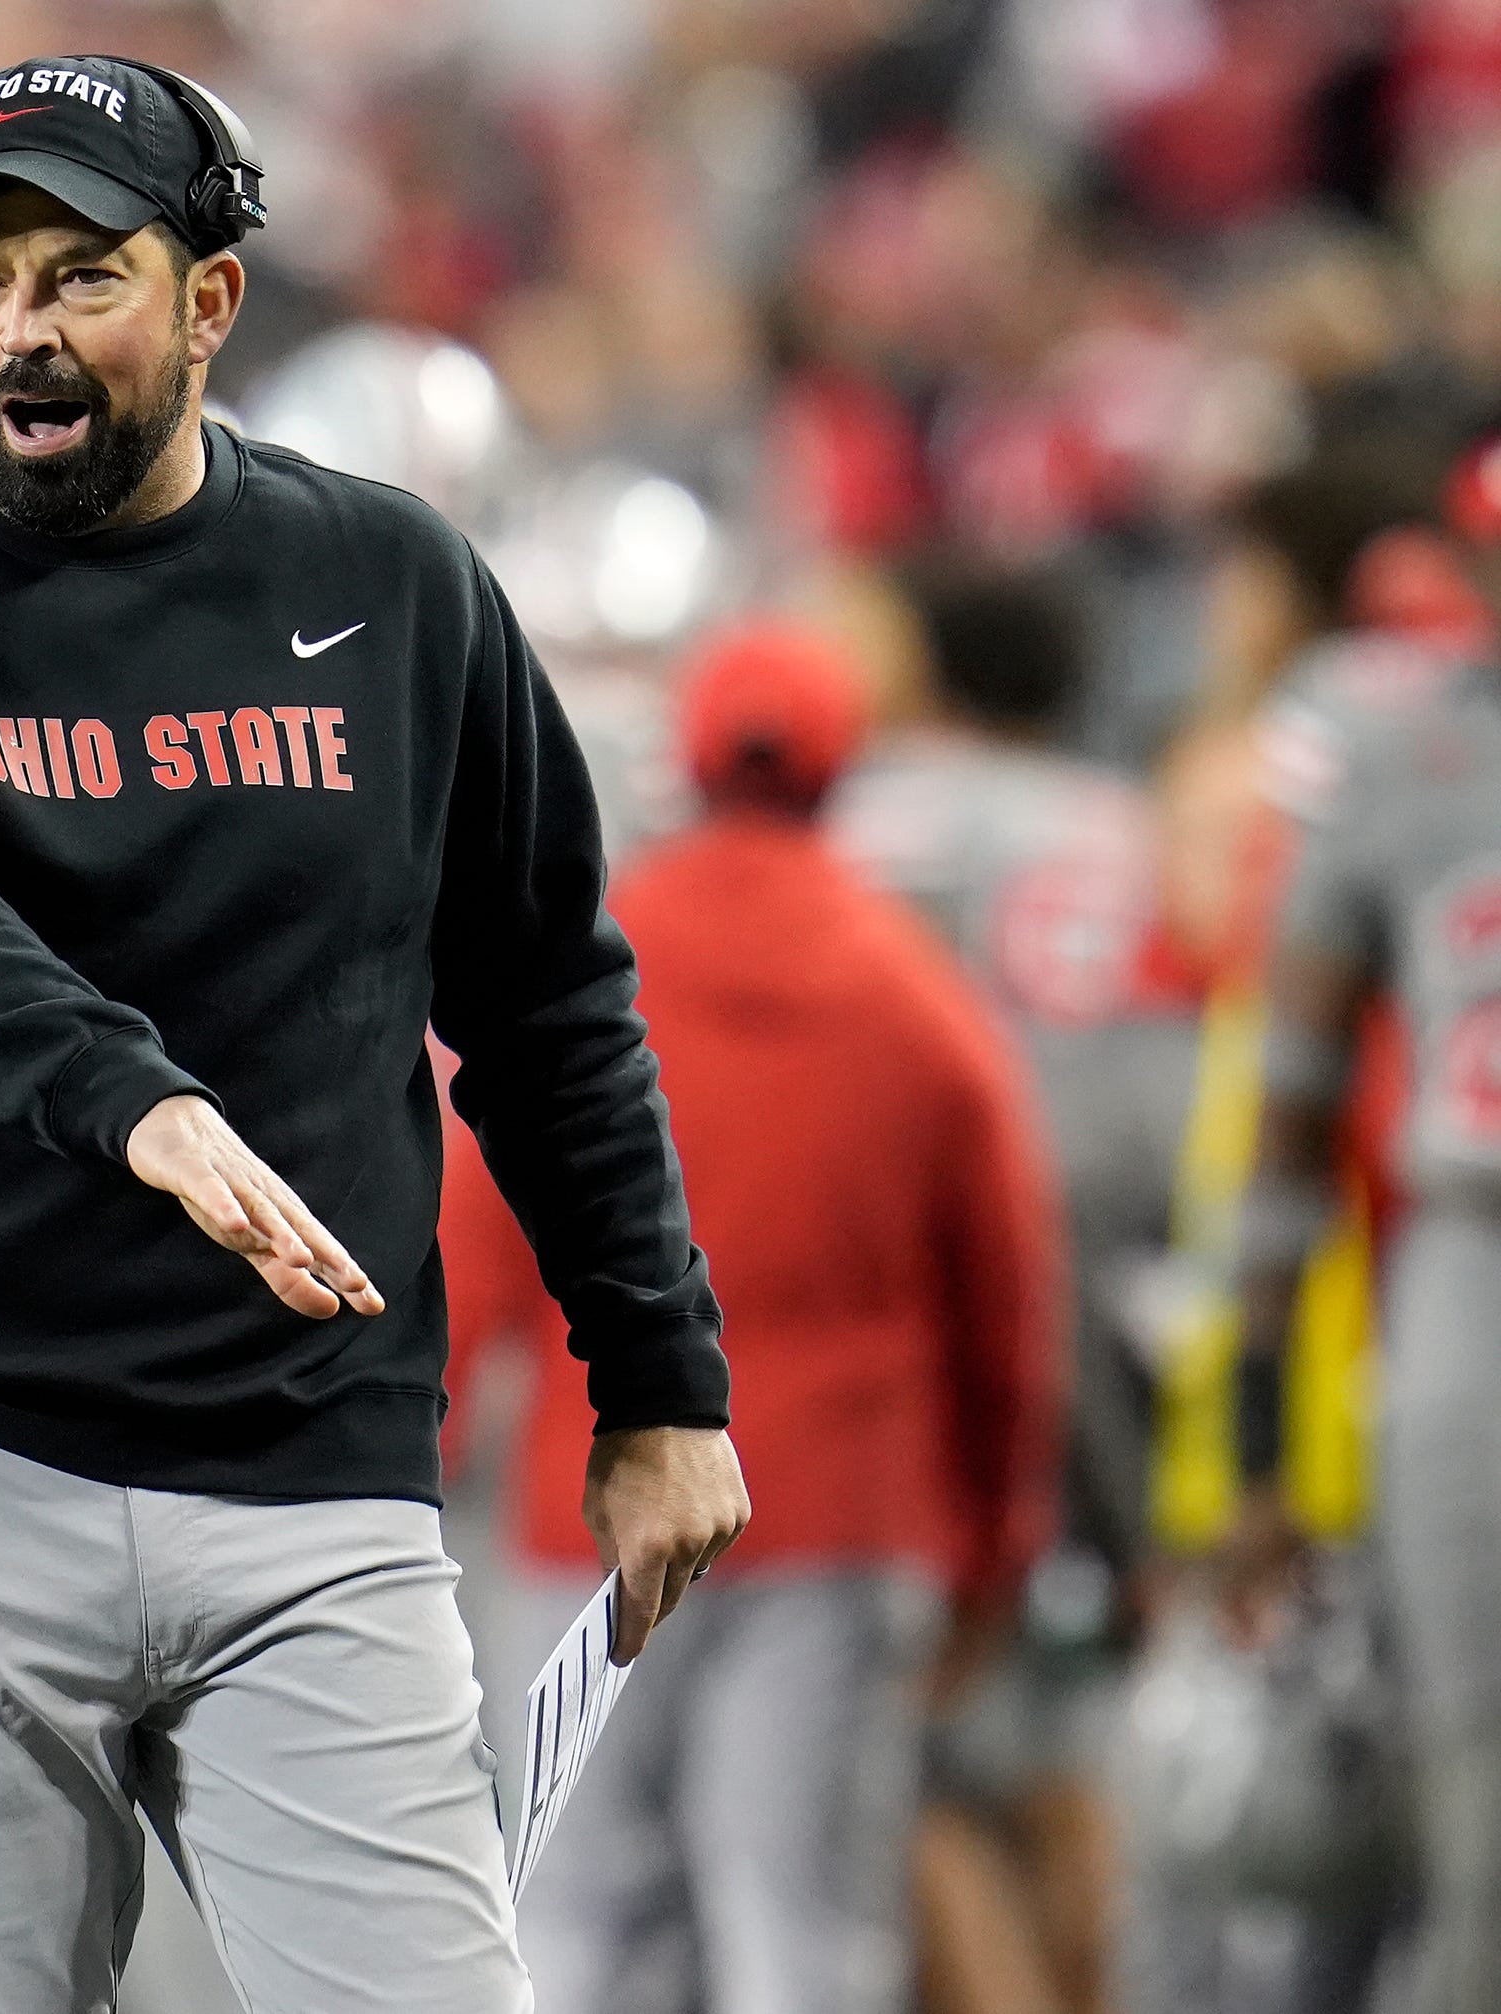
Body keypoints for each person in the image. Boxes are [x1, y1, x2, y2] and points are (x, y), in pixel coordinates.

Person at [0, 55, 749, 2014]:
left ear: (209, 303)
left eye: (84, 272)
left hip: (312, 1471)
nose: (22, 324)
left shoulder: (395, 585)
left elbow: (548, 1000)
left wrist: (662, 1378)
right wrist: (137, 1106)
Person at [503, 624, 1066, 2014]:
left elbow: (465, 1221)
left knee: (578, 1927)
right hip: (839, 1513)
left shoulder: (583, 969)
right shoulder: (919, 1000)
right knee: (804, 1936)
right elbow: (1007, 1307)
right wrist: (997, 1540)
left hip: (593, 1499)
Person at [829, 563, 1187, 2014]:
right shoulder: (1123, 824)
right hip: (1124, 1283)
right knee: (1071, 1727)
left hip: (925, 1289)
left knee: (911, 1753)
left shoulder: (878, 813)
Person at [1225, 434, 1501, 2014]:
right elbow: (1291, 1107)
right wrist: (1258, 1423)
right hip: (1471, 1254)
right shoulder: (1400, 751)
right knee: (1476, 1800)